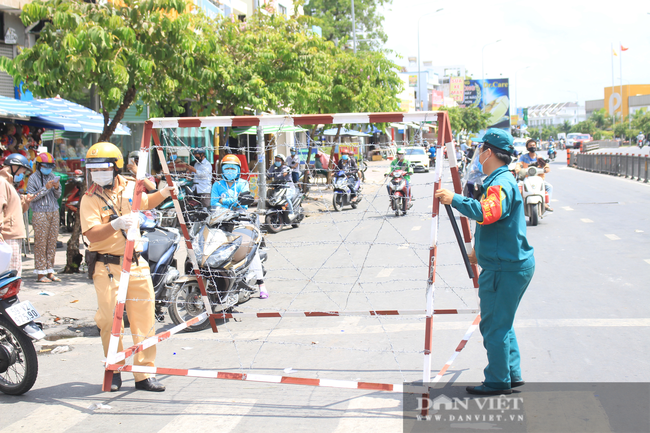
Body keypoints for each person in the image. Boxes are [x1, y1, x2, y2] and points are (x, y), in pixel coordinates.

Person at [435, 128, 535, 396]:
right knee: (503, 322)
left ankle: (497, 381)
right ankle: (511, 373)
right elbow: (498, 225)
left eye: (481, 149)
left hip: (505, 268)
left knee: (493, 325)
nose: (478, 153)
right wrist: (480, 250)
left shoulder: (500, 183)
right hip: (510, 263)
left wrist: (454, 199)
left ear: (488, 152)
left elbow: (486, 213)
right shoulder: (500, 179)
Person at [80, 142, 176, 392]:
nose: (97, 173)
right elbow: (91, 234)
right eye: (93, 169)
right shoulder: (89, 198)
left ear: (114, 167)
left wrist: (164, 193)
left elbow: (147, 202)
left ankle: (144, 374)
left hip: (135, 263)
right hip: (107, 266)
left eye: (102, 168)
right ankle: (115, 369)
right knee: (109, 320)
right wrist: (116, 224)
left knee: (144, 319)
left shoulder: (130, 186)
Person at [211, 154, 268, 299]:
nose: (229, 170)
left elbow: (243, 203)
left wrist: (224, 200)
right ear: (222, 170)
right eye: (226, 168)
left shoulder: (243, 183)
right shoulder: (217, 185)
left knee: (250, 248)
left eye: (232, 168)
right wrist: (231, 201)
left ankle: (261, 283)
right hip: (221, 220)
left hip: (241, 219)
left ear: (238, 170)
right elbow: (214, 204)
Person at [26, 153, 61, 283]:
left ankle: (50, 270)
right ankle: (40, 273)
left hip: (53, 211)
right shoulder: (32, 178)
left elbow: (58, 195)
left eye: (50, 166)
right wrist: (46, 188)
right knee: (41, 243)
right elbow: (32, 197)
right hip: (39, 212)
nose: (48, 169)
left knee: (52, 242)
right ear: (39, 165)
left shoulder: (52, 176)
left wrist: (56, 188)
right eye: (45, 166)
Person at [0, 154, 33, 279]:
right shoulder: (2, 183)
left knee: (15, 271)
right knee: (11, 274)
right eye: (23, 170)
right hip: (8, 235)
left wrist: (26, 202)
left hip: (13, 234)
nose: (23, 174)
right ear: (14, 167)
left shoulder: (8, 184)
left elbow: (14, 209)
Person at [519, 140, 553, 212]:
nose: (532, 147)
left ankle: (547, 204)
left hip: (539, 179)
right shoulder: (523, 157)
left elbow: (546, 166)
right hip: (526, 179)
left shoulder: (540, 157)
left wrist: (546, 169)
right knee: (517, 188)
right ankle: (518, 206)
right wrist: (518, 170)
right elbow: (518, 165)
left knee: (549, 187)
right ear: (527, 147)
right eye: (530, 145)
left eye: (533, 145)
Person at [266, 153, 296, 219]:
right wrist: (272, 167)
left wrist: (275, 173)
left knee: (286, 198)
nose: (277, 162)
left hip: (288, 187)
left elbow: (283, 174)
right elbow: (269, 174)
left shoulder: (287, 168)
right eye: (276, 160)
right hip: (279, 188)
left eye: (278, 160)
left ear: (282, 161)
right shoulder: (275, 168)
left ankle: (291, 212)